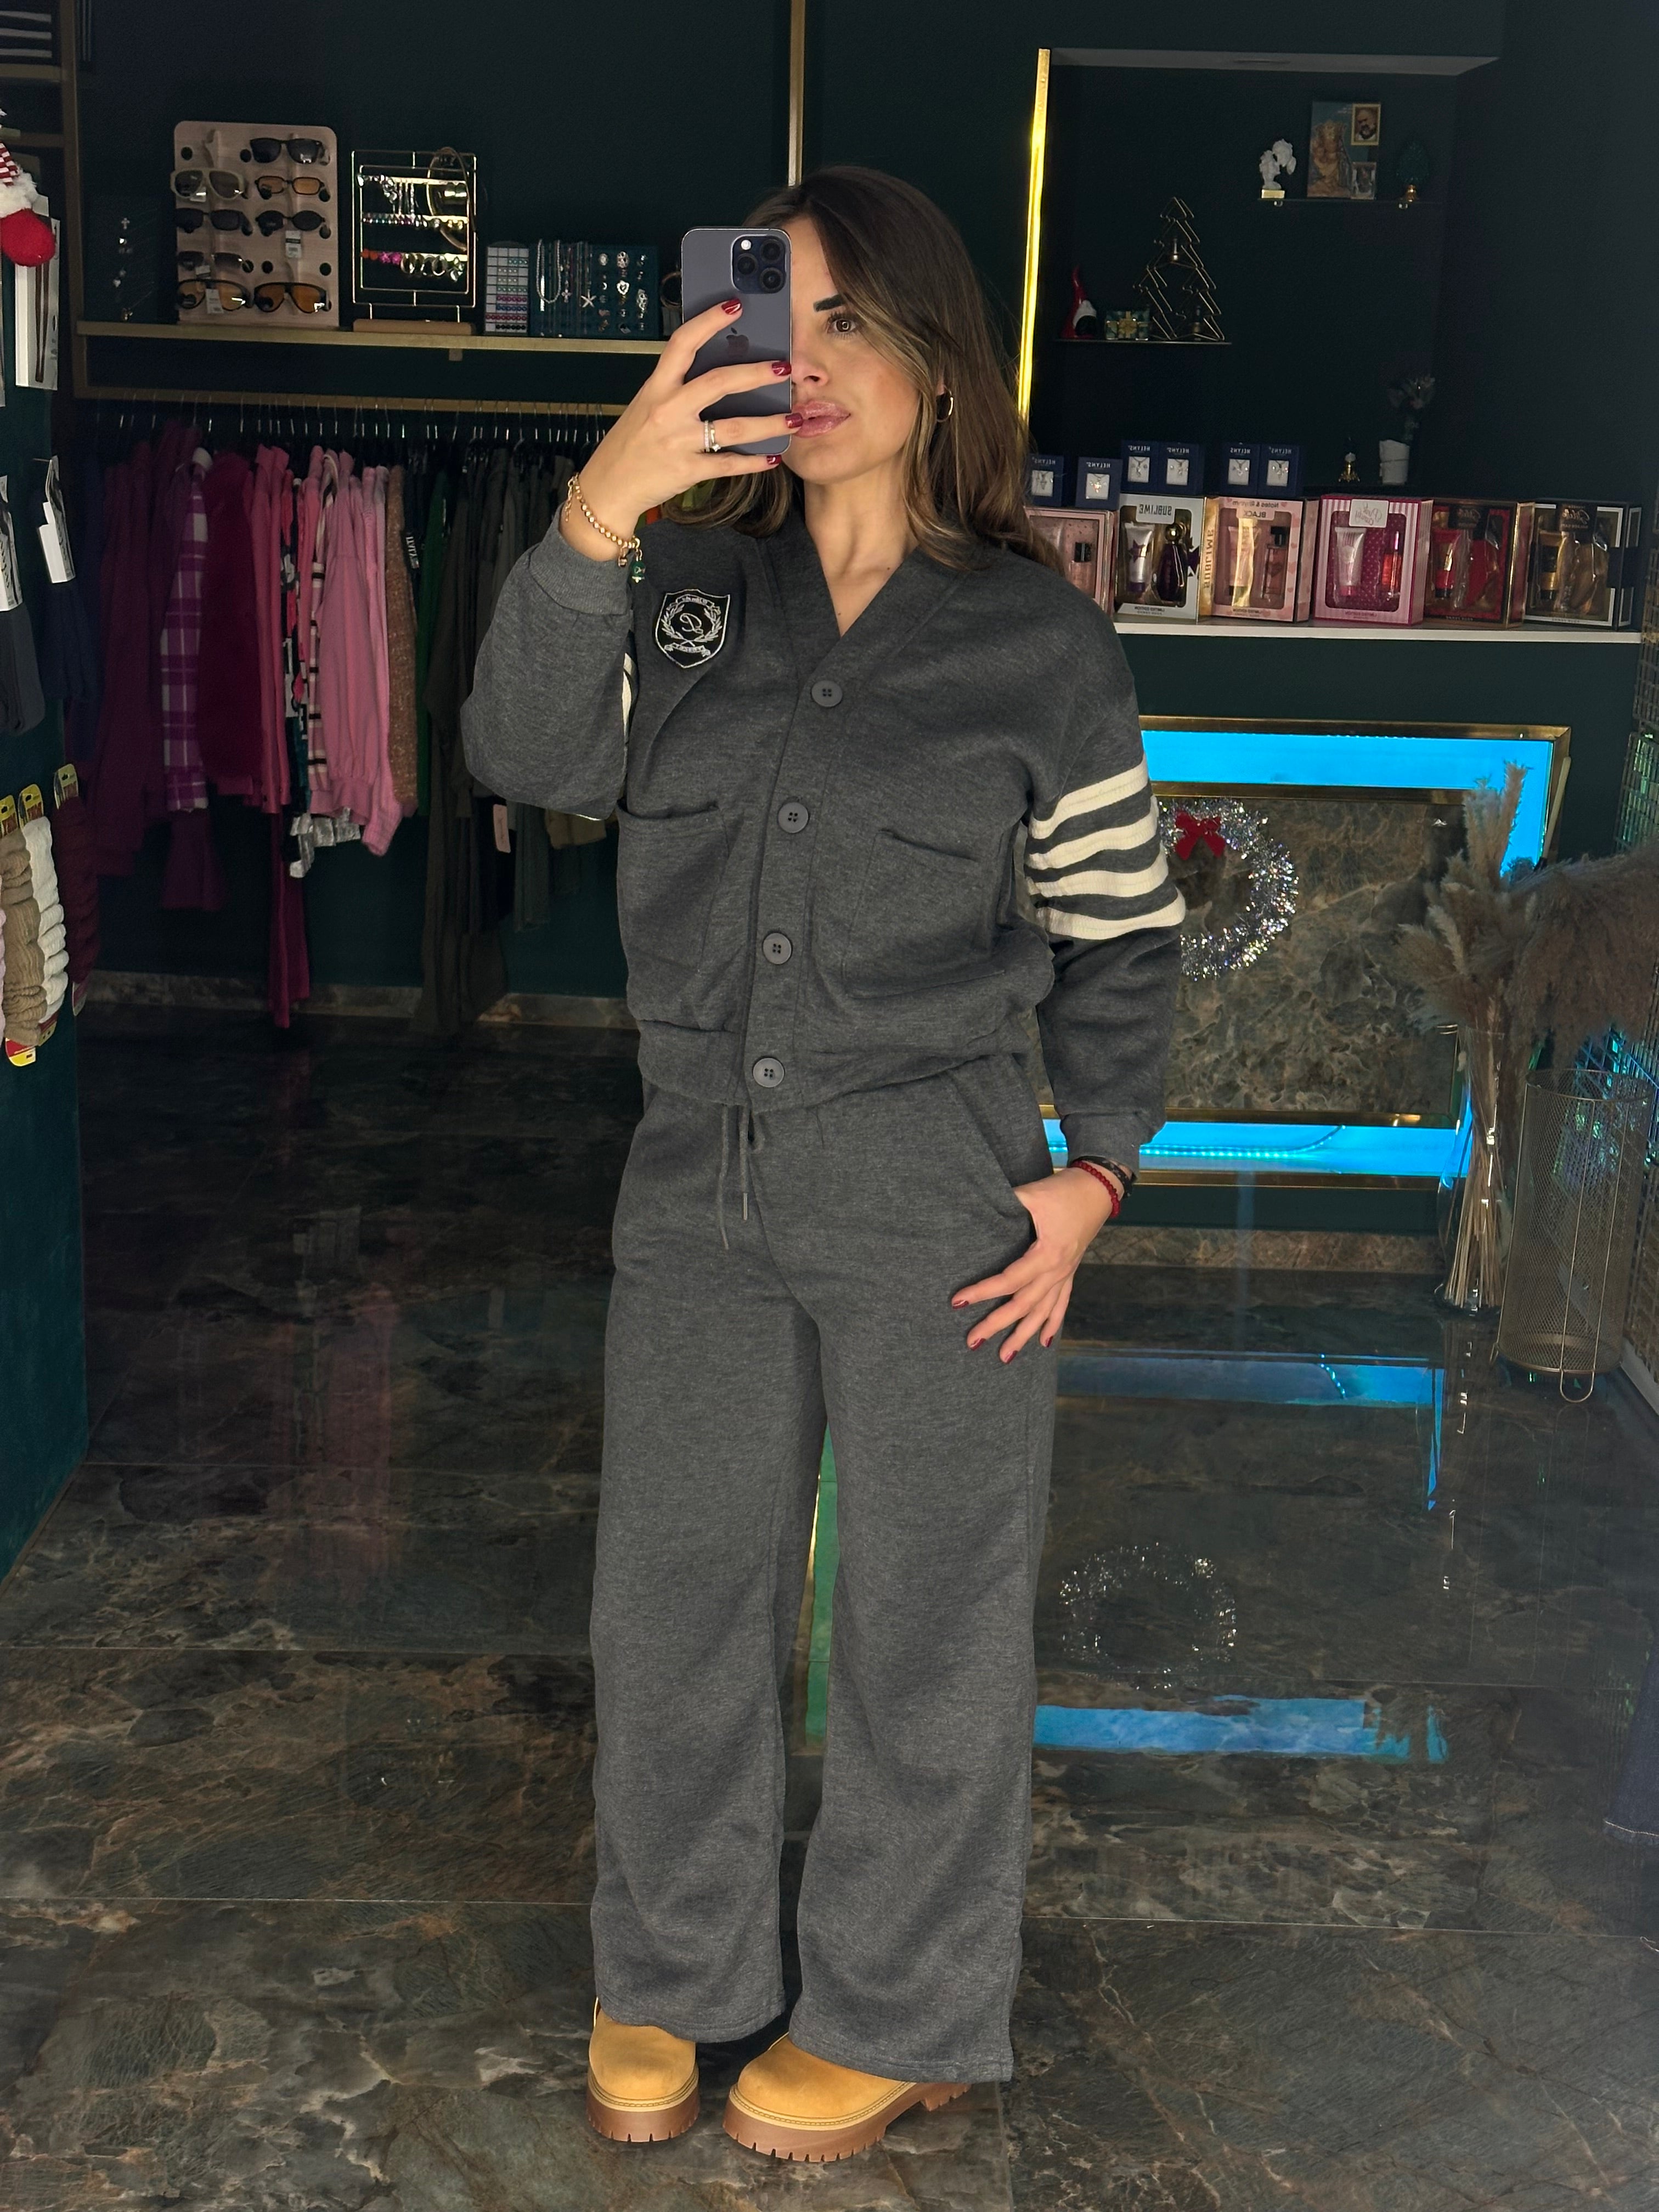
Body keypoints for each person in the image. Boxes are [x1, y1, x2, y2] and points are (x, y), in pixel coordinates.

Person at [462, 165, 1182, 2164]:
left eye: (858, 318)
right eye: (784, 315)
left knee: (930, 1619)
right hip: (697, 1181)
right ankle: (667, 1965)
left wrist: (1098, 1177)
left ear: (944, 358)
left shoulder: (1041, 648)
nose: (820, 360)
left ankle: (899, 2008)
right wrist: (600, 513)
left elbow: (1124, 937)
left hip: (938, 1191)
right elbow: (525, 756)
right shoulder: (683, 588)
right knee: (673, 1597)